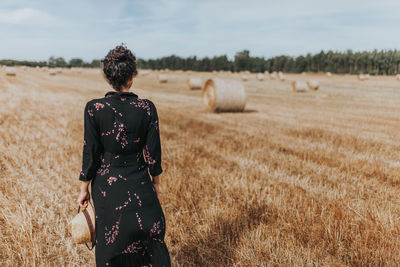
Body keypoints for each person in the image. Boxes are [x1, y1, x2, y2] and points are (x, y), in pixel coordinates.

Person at [77, 44, 171, 267]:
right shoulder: (147, 108)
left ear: (107, 77)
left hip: (106, 189)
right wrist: (155, 183)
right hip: (140, 185)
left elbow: (90, 152)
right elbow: (153, 153)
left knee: (111, 245)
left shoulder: (94, 108)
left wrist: (83, 189)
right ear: (132, 75)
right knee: (149, 242)